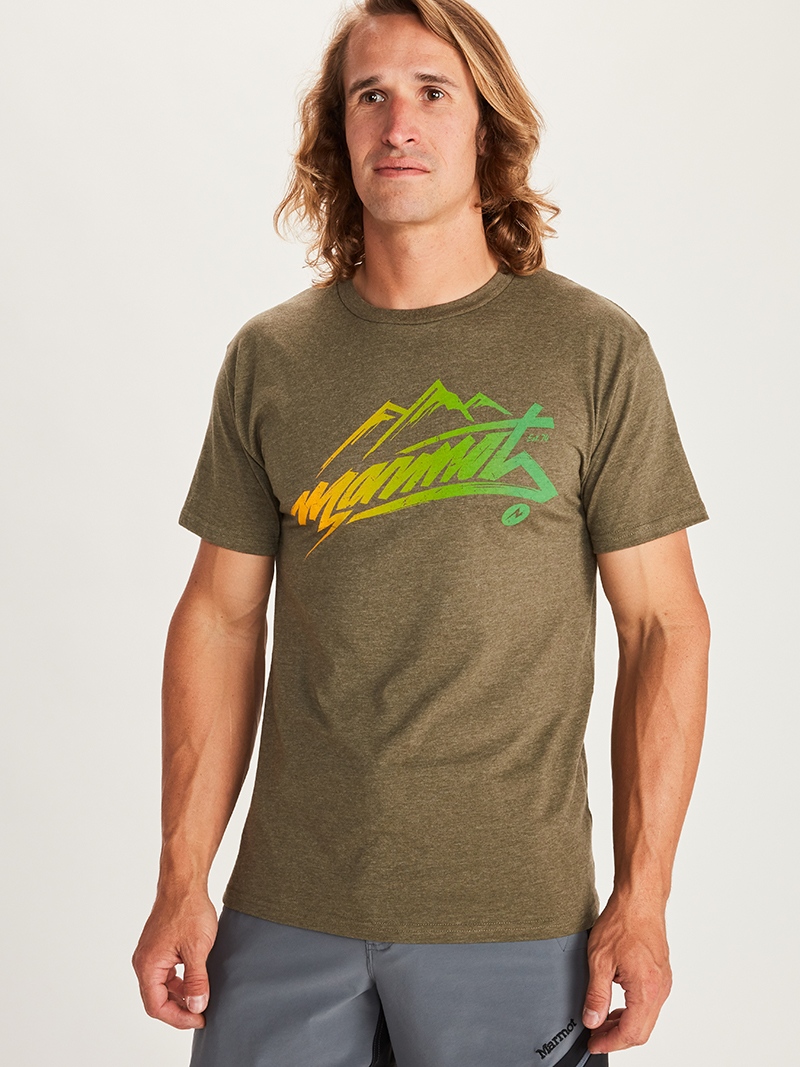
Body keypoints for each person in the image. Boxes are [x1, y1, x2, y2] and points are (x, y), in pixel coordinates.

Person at [132, 0, 710, 1064]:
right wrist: (180, 878)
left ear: (487, 127)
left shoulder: (592, 350)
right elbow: (217, 617)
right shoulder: (271, 359)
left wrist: (643, 898)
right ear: (338, 132)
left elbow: (663, 626)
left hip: (515, 919)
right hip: (283, 908)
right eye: (370, 96)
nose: (398, 123)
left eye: (432, 92)